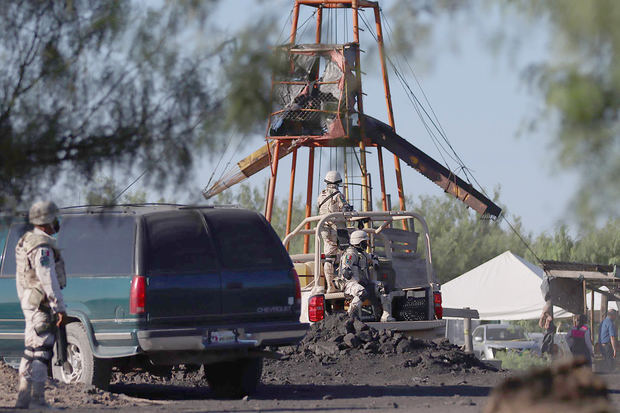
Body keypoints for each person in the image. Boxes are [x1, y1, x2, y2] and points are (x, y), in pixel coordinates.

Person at [14, 201, 67, 409]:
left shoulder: (26, 240)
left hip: (30, 302)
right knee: (42, 352)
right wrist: (59, 306)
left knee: (30, 349)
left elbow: (23, 278)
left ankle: (23, 399)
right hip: (41, 304)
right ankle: (37, 400)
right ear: (46, 221)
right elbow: (47, 277)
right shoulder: (42, 245)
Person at [338, 230, 393, 321]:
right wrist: (347, 271)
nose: (366, 245)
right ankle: (350, 315)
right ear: (358, 242)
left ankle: (386, 315)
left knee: (383, 287)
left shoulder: (362, 253)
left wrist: (375, 263)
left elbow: (374, 257)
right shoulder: (350, 254)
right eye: (364, 242)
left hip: (364, 283)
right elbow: (346, 268)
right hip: (350, 284)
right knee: (361, 292)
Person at [317, 171, 353, 293]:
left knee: (329, 258)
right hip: (338, 230)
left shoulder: (321, 195)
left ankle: (330, 287)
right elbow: (346, 210)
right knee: (346, 254)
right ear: (338, 182)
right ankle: (345, 284)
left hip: (324, 229)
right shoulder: (339, 195)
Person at [598, 309, 617, 373]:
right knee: (610, 365)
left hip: (602, 345)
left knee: (606, 363)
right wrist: (614, 349)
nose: (616, 317)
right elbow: (612, 336)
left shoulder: (603, 322)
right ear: (612, 315)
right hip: (607, 346)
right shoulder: (610, 323)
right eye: (615, 315)